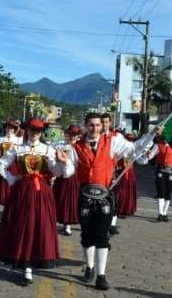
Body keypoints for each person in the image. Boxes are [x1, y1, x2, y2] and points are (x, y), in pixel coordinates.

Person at [69, 112, 156, 290]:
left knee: (102, 235)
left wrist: (151, 135)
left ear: (102, 126)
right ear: (86, 125)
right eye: (91, 125)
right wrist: (60, 162)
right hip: (85, 196)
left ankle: (101, 275)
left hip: (105, 196)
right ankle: (90, 267)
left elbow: (134, 149)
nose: (94, 128)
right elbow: (67, 171)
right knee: (87, 235)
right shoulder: (75, 147)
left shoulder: (112, 142)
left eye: (98, 125)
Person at [0, 118, 73, 286]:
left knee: (39, 226)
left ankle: (31, 262)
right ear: (27, 130)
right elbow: (0, 165)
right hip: (21, 192)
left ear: (41, 132)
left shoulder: (48, 149)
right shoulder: (18, 149)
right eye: (32, 129)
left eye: (38, 130)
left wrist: (63, 161)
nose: (35, 132)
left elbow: (59, 172)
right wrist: (12, 179)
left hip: (41, 193)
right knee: (22, 226)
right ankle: (24, 264)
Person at [140, 134, 172, 221]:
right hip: (161, 171)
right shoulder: (158, 145)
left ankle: (165, 213)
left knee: (168, 193)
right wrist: (147, 153)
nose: (165, 138)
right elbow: (150, 156)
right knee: (161, 191)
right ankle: (160, 214)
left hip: (171, 172)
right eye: (163, 136)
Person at [53, 124, 82, 236]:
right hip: (62, 177)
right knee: (60, 200)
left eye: (74, 135)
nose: (72, 137)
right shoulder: (60, 146)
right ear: (66, 135)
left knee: (73, 201)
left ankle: (69, 225)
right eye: (70, 134)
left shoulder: (80, 147)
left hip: (76, 177)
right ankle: (60, 224)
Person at [0, 120, 23, 205]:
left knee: (12, 189)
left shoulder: (19, 140)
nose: (9, 129)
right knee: (2, 190)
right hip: (2, 166)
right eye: (8, 127)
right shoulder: (0, 139)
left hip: (13, 167)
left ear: (14, 129)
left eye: (11, 128)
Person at [100, 112, 123, 235]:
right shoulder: (95, 137)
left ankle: (112, 224)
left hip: (111, 173)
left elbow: (126, 150)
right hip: (98, 175)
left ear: (110, 123)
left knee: (113, 199)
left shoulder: (116, 137)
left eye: (106, 122)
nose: (104, 125)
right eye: (102, 122)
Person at [115, 133, 139, 219]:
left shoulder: (127, 147)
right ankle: (124, 209)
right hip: (125, 170)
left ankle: (122, 209)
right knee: (124, 190)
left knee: (123, 190)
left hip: (125, 170)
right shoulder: (132, 147)